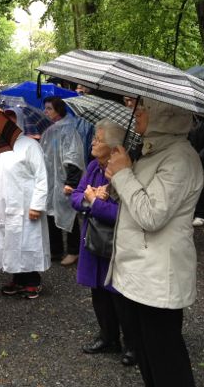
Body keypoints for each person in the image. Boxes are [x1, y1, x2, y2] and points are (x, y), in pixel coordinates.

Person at [105, 97, 203, 387]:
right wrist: (117, 174)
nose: (137, 114)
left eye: (145, 109)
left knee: (165, 357)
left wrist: (124, 174)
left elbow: (151, 216)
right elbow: (134, 202)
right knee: (147, 352)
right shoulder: (153, 152)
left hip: (159, 275)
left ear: (165, 115)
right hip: (140, 271)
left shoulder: (180, 158)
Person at [69, 120, 135, 366]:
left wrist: (96, 204)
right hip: (93, 239)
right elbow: (76, 197)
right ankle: (108, 337)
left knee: (118, 296)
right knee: (97, 291)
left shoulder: (127, 172)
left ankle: (132, 344)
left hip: (115, 243)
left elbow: (124, 214)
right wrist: (89, 198)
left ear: (113, 145)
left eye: (98, 139)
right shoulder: (94, 167)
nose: (93, 142)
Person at [0, 109, 49, 299]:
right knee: (8, 243)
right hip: (2, 205)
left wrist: (37, 204)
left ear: (19, 122)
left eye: (12, 120)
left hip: (25, 206)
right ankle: (17, 279)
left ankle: (32, 281)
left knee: (26, 243)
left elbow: (42, 177)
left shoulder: (30, 146)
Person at [40, 96, 85, 266]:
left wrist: (71, 183)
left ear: (59, 109)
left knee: (69, 216)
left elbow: (73, 157)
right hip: (52, 182)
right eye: (46, 108)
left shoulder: (68, 129)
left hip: (64, 181)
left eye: (49, 108)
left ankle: (74, 251)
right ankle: (56, 249)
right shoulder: (51, 129)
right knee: (51, 214)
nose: (46, 112)